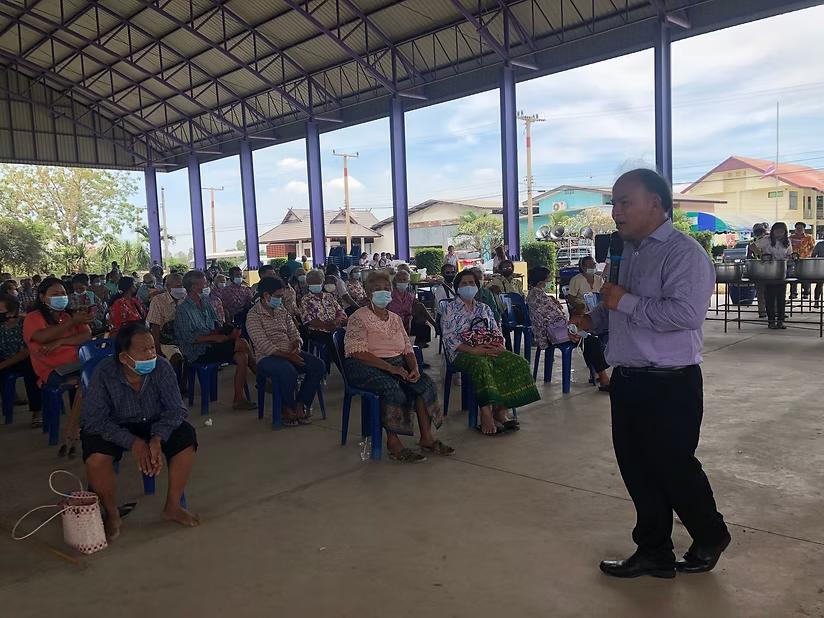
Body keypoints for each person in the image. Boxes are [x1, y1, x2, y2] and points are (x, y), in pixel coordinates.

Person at [571, 168, 729, 579]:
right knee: (637, 469)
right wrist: (592, 320)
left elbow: (685, 315)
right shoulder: (627, 252)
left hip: (670, 382)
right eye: (615, 203)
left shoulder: (684, 254)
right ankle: (654, 550)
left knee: (674, 468)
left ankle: (711, 535)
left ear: (655, 203)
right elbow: (616, 308)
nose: (616, 212)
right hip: (628, 379)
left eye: (625, 202)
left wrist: (623, 301)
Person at [81, 322, 199, 539]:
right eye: (144, 350)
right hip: (116, 426)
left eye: (152, 347)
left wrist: (157, 438)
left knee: (186, 437)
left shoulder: (161, 367)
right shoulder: (104, 373)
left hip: (154, 422)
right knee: (95, 458)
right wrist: (133, 443)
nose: (151, 354)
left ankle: (173, 506)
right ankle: (112, 514)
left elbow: (176, 410)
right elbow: (95, 420)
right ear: (124, 357)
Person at [344, 271, 450, 463]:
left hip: (395, 363)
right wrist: (391, 369)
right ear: (368, 292)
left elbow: (407, 348)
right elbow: (357, 352)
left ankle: (427, 438)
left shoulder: (395, 318)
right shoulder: (358, 317)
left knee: (424, 383)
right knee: (391, 388)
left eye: (386, 288)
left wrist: (414, 368)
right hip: (364, 365)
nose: (383, 292)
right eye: (377, 289)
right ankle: (393, 443)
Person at [441, 269, 539, 435]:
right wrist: (475, 350)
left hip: (489, 348)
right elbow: (449, 339)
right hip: (462, 352)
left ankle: (501, 410)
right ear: (457, 287)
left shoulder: (484, 308)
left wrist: (499, 346)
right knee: (482, 364)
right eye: (464, 283)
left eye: (471, 283)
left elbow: (496, 330)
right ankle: (485, 412)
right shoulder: (450, 309)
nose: (468, 286)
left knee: (517, 361)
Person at [23, 277, 94, 456]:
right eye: (55, 294)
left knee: (95, 377)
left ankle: (78, 428)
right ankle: (79, 429)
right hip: (52, 370)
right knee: (88, 381)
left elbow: (86, 335)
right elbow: (42, 337)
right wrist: (72, 324)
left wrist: (60, 342)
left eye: (63, 293)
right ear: (42, 297)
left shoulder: (67, 316)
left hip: (76, 365)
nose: (61, 297)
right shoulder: (34, 317)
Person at [245, 278, 325, 426]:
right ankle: (287, 407)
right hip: (267, 358)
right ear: (266, 295)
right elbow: (264, 345)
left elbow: (294, 333)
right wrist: (290, 356)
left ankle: (301, 403)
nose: (280, 299)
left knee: (318, 365)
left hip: (290, 352)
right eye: (278, 296)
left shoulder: (282, 310)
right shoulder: (253, 316)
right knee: (288, 371)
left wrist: (296, 346)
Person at [174, 270, 256, 410]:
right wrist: (214, 338)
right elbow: (188, 338)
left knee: (242, 356)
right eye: (204, 283)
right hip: (198, 351)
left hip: (213, 344)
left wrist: (226, 332)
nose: (208, 286)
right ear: (194, 286)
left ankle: (238, 399)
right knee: (242, 343)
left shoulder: (206, 302)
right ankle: (260, 375)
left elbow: (215, 323)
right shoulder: (183, 310)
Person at [527, 267, 610, 390]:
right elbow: (554, 316)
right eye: (548, 278)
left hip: (555, 329)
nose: (549, 281)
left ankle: (597, 373)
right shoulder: (539, 296)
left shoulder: (535, 294)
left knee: (588, 339)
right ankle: (603, 378)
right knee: (591, 340)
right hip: (555, 332)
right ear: (541, 281)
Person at [0, 295, 42, 426]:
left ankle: (36, 411)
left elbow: (26, 352)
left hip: (24, 359)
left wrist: (2, 365)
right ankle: (11, 399)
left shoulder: (25, 324)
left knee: (31, 372)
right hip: (3, 358)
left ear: (12, 312)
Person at [300, 269, 347, 372]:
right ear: (308, 284)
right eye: (312, 283)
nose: (316, 285)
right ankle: (344, 370)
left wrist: (336, 320)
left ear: (322, 282)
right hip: (319, 331)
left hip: (336, 327)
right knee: (334, 342)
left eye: (318, 282)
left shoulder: (329, 296)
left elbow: (340, 311)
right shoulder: (306, 300)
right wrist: (328, 326)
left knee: (348, 337)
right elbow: (309, 320)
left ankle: (350, 368)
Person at [147, 272, 187, 390]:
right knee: (176, 357)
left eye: (182, 286)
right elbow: (155, 328)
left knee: (191, 355)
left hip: (183, 337)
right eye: (177, 286)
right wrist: (157, 349)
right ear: (168, 287)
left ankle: (183, 384)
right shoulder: (158, 301)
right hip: (165, 340)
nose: (180, 288)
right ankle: (173, 387)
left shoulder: (185, 298)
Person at [753, 222, 792, 329]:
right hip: (769, 271)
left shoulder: (787, 241)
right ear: (772, 231)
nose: (779, 234)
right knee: (770, 297)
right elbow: (752, 246)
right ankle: (771, 321)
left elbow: (789, 254)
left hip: (782, 271)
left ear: (785, 232)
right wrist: (762, 255)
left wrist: (789, 258)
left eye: (781, 232)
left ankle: (780, 321)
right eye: (776, 231)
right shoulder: (766, 240)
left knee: (781, 298)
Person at [386, 268, 432, 346]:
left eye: (404, 280)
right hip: (392, 324)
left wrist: (434, 324)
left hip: (407, 324)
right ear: (395, 281)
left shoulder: (410, 297)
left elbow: (420, 306)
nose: (402, 282)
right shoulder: (389, 295)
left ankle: (417, 345)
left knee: (424, 325)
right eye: (399, 280)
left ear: (408, 282)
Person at [747, 224, 768, 318]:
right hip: (760, 269)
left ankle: (766, 310)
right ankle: (762, 311)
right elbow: (749, 256)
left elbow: (749, 256)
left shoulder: (768, 239)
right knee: (761, 291)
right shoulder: (754, 242)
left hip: (767, 268)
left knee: (766, 291)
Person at [789, 222, 814, 299]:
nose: (799, 229)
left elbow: (812, 247)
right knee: (793, 276)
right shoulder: (791, 237)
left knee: (805, 276)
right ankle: (793, 293)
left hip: (805, 260)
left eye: (801, 228)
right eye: (797, 228)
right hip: (793, 259)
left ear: (804, 229)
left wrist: (808, 254)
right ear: (795, 229)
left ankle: (806, 292)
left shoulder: (809, 237)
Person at [812, 239, 824, 308]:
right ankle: (816, 301)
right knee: (819, 284)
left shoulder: (819, 244)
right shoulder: (820, 244)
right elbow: (813, 255)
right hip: (820, 267)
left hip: (820, 267)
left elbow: (813, 255)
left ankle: (816, 301)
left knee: (819, 284)